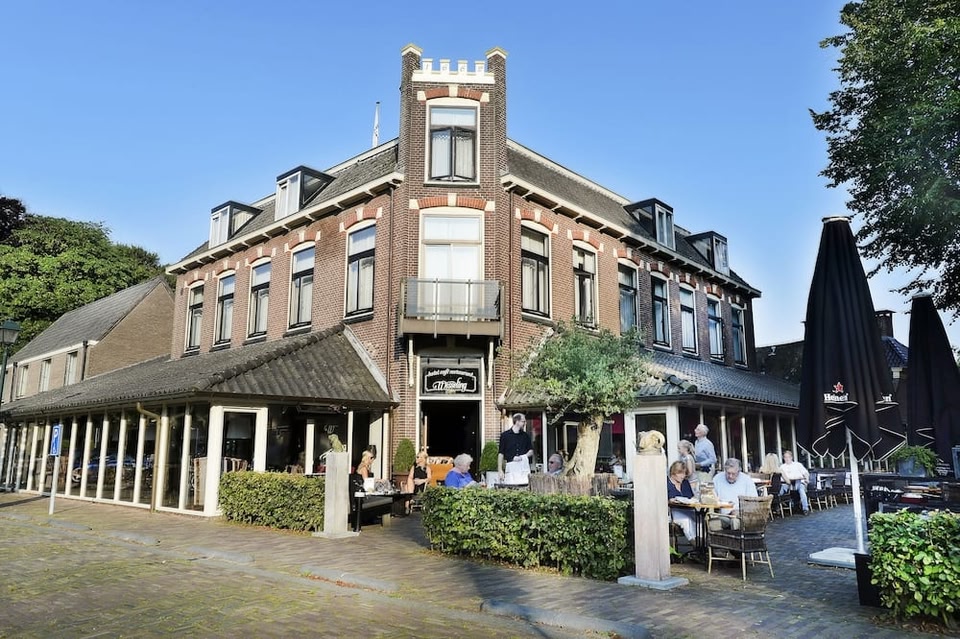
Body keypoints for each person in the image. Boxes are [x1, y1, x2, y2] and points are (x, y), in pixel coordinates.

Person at [709, 457, 758, 530]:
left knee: (735, 521)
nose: (730, 476)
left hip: (741, 514)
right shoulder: (717, 478)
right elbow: (711, 496)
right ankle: (716, 537)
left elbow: (754, 502)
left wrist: (740, 512)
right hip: (723, 514)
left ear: (738, 472)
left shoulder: (747, 480)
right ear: (725, 470)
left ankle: (736, 537)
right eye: (728, 473)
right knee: (713, 523)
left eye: (733, 474)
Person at [667, 460, 697, 544]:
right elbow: (661, 500)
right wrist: (669, 500)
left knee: (700, 520)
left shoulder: (685, 483)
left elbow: (691, 497)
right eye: (680, 473)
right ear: (674, 473)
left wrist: (694, 499)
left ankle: (702, 542)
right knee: (686, 521)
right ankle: (694, 543)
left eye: (684, 473)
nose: (683, 476)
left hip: (688, 509)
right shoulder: (667, 483)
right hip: (674, 511)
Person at [498, 413, 534, 480]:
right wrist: (500, 470)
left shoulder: (526, 436)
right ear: (517, 422)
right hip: (510, 466)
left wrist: (522, 457)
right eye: (523, 421)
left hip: (523, 466)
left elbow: (531, 451)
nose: (525, 423)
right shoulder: (505, 436)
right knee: (510, 484)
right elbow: (501, 453)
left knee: (524, 484)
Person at [779, 450, 811, 515]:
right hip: (787, 484)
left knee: (802, 491)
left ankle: (805, 509)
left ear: (791, 457)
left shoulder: (797, 465)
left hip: (798, 482)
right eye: (785, 457)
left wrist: (807, 479)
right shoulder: (782, 467)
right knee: (780, 491)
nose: (787, 459)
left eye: (788, 457)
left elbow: (805, 473)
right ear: (783, 458)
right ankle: (777, 507)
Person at [404, 450, 431, 514]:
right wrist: (413, 481)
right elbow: (410, 477)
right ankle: (410, 499)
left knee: (407, 487)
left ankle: (407, 505)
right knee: (408, 482)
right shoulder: (414, 467)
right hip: (413, 486)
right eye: (416, 457)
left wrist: (421, 481)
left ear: (422, 458)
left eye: (418, 457)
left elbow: (429, 478)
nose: (416, 458)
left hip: (421, 487)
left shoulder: (427, 468)